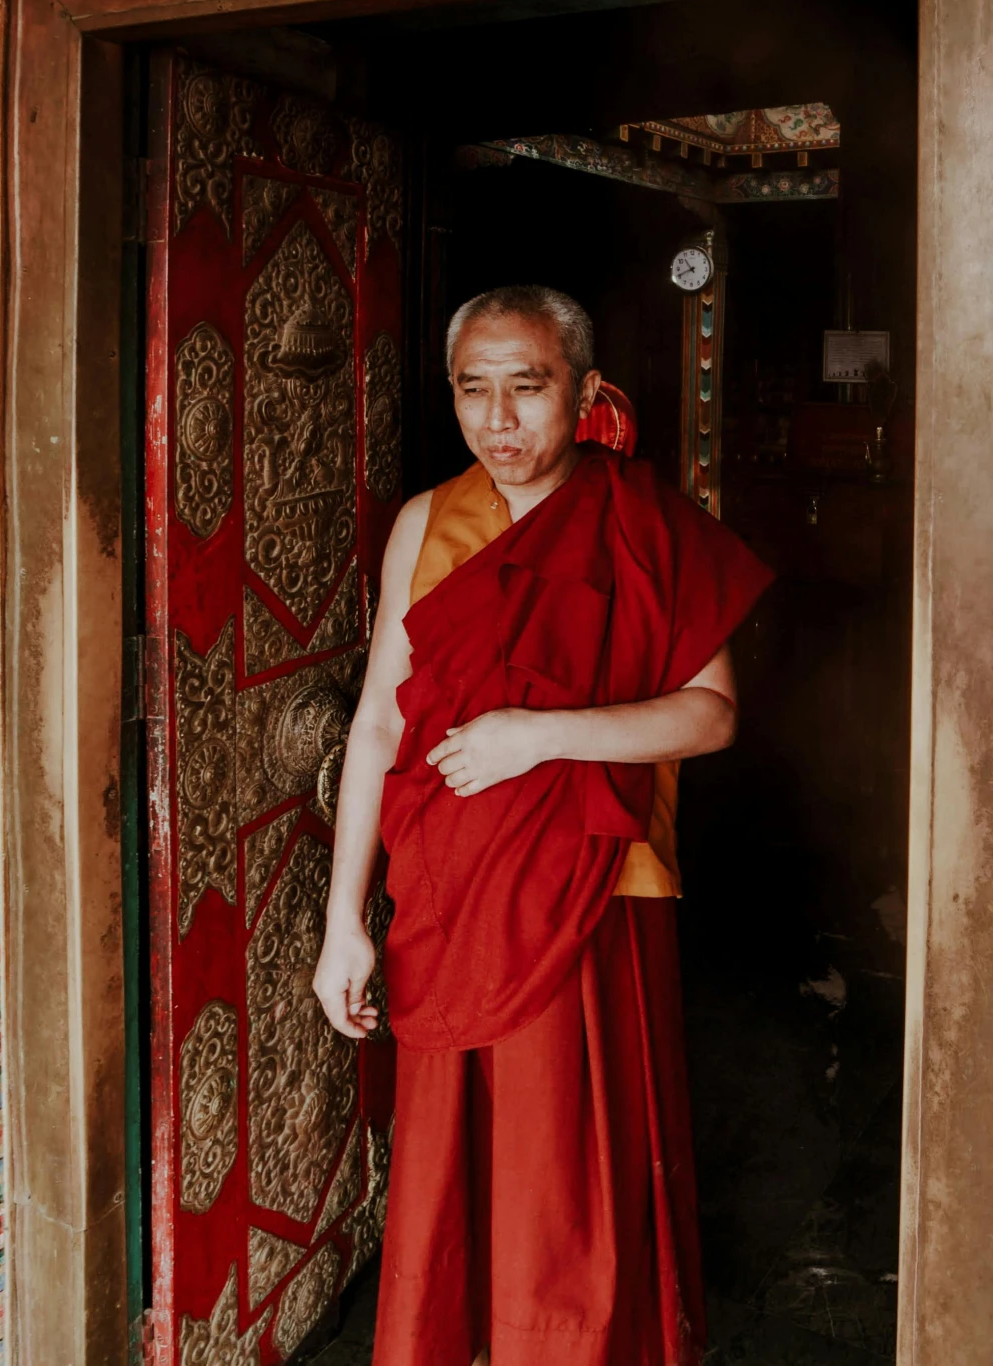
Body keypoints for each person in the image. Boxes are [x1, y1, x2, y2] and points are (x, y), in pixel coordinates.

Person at [312, 285, 772, 1366]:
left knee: (569, 1174)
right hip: (450, 895)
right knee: (454, 1175)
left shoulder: (645, 525)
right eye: (474, 391)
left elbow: (709, 717)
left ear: (584, 391)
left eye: (527, 387)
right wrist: (346, 919)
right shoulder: (426, 523)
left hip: (593, 892)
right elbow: (380, 720)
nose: (500, 420)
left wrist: (541, 734)